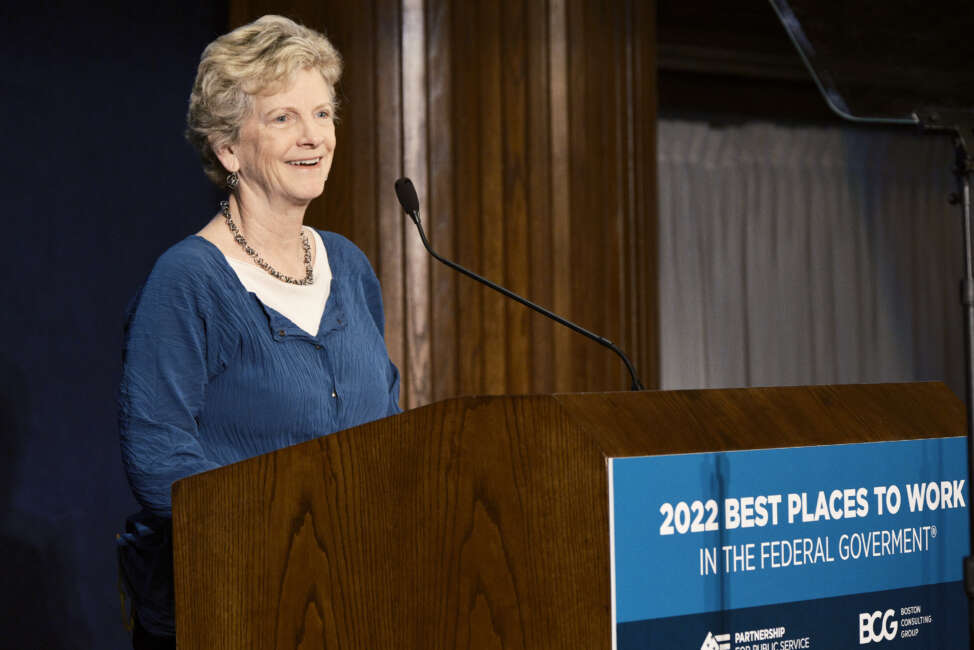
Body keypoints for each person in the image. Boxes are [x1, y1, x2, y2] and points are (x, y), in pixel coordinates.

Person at [115, 15, 401, 649]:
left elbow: (386, 428)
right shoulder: (188, 281)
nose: (314, 137)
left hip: (355, 602)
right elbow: (161, 461)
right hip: (235, 608)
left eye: (323, 114)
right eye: (283, 118)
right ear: (228, 148)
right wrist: (292, 534)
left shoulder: (348, 266)